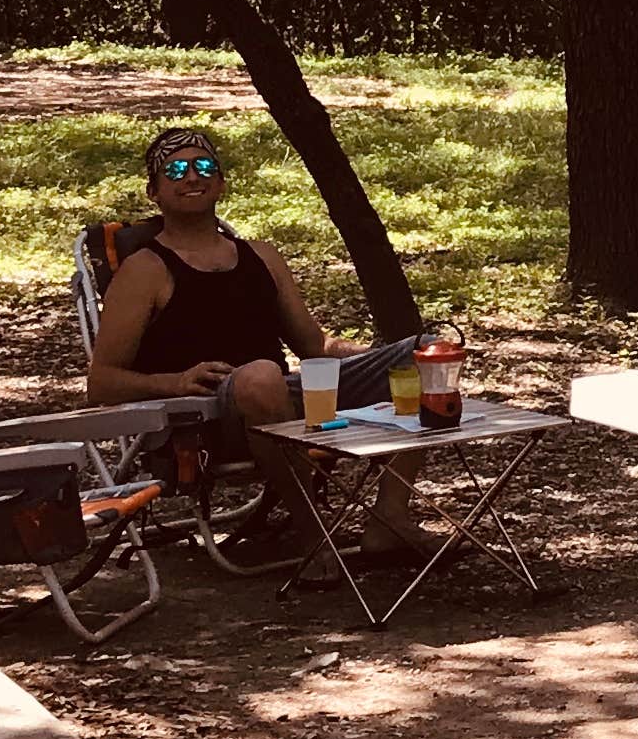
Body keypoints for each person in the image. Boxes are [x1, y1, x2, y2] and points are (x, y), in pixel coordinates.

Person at [85, 124, 430, 559]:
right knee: (261, 376)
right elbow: (102, 383)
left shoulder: (262, 256)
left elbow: (315, 346)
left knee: (426, 356)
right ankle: (312, 537)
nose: (192, 177)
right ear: (154, 191)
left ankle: (390, 519)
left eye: (203, 166)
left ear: (222, 182)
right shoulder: (145, 269)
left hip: (285, 400)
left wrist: (383, 356)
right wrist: (173, 382)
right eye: (174, 170)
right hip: (205, 418)